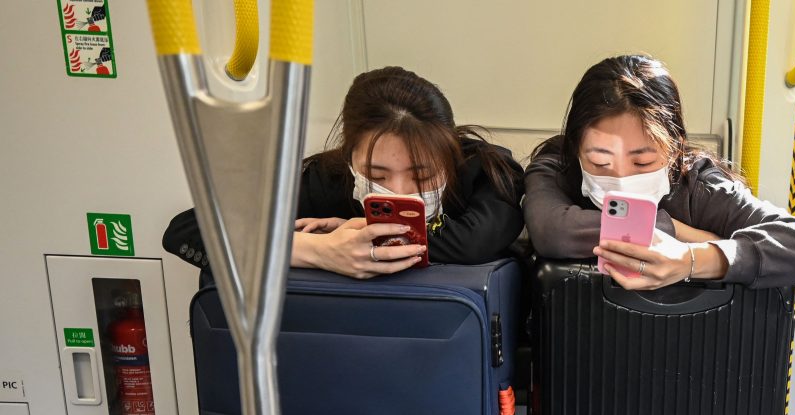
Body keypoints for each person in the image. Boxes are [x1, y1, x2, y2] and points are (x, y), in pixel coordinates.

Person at [163, 66, 525, 278]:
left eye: (422, 175)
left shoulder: (485, 170)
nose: (399, 192)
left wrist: (363, 232)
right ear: (350, 159)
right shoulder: (330, 179)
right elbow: (187, 230)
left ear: (449, 154)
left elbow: (475, 241)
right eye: (377, 176)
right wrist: (317, 250)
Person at [523, 55, 795, 290]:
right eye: (600, 162)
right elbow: (553, 232)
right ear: (576, 148)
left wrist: (691, 260)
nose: (620, 179)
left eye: (643, 162)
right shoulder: (558, 168)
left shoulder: (697, 185)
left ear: (675, 150)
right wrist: (673, 227)